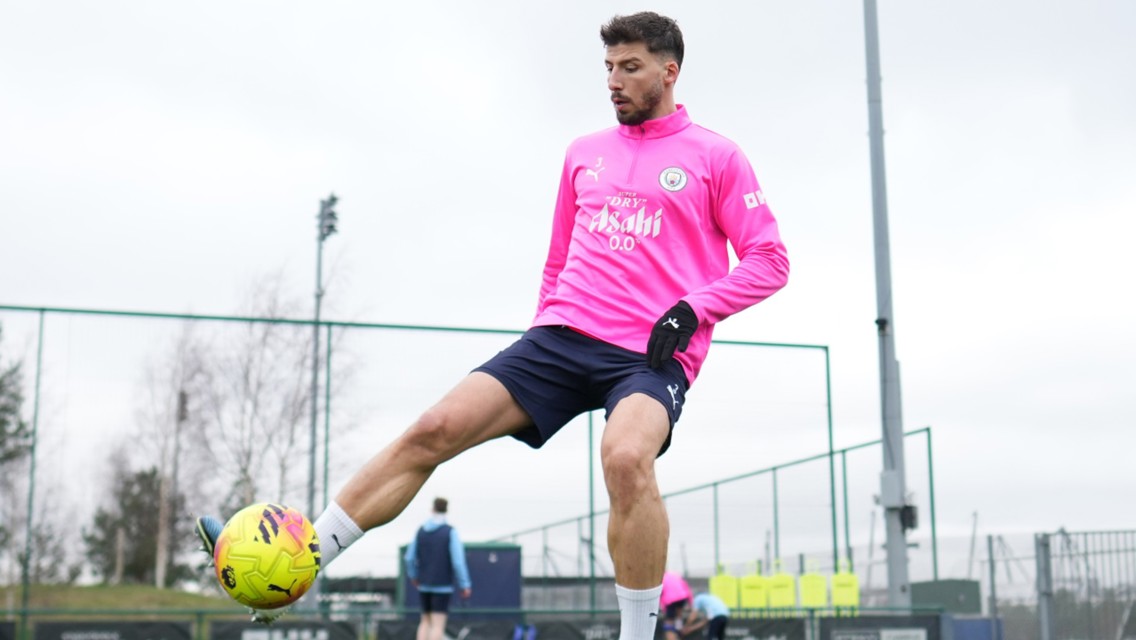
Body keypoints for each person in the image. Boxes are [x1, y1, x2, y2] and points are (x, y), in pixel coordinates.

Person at [197, 11, 789, 636]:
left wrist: (695, 307)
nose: (614, 80)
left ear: (669, 73)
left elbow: (770, 261)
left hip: (647, 354)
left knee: (624, 458)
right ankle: (299, 561)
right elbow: (558, 259)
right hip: (560, 339)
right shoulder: (583, 154)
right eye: (609, 67)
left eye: (630, 67)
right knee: (433, 428)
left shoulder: (717, 157)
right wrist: (542, 329)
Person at [404, 498, 472, 640]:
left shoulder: (421, 531)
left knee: (425, 622)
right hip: (443, 586)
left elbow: (409, 558)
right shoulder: (450, 532)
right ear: (446, 510)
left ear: (432, 508)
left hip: (424, 586)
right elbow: (458, 561)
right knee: (437, 625)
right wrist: (465, 584)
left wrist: (414, 576)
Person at [659, 571, 693, 640]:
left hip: (670, 599)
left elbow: (660, 592)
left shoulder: (661, 578)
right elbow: (685, 586)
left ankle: (672, 637)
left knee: (669, 621)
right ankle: (679, 631)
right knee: (678, 616)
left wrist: (664, 608)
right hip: (682, 597)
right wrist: (690, 602)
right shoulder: (674, 575)